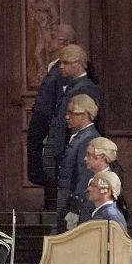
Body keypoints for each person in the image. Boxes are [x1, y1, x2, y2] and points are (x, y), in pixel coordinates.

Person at [37, 45, 98, 201]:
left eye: (65, 63)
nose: (61, 67)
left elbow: (82, 122)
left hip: (69, 149)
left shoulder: (85, 87)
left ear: (76, 64)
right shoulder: (72, 85)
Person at [25, 26, 78, 186]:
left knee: (53, 174)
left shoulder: (66, 69)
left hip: (53, 130)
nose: (48, 40)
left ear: (63, 42)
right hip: (46, 130)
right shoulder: (55, 66)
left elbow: (62, 102)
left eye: (53, 37)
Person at [51, 94, 102, 228]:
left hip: (78, 208)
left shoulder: (88, 139)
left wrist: (75, 208)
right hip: (68, 204)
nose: (67, 117)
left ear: (85, 115)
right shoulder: (80, 136)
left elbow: (85, 176)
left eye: (71, 113)